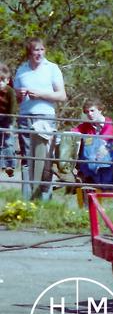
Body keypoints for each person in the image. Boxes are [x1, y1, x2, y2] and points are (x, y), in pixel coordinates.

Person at [13, 37, 67, 200]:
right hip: (25, 117)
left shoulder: (52, 68)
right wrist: (19, 94)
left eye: (41, 49)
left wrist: (41, 94)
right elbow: (17, 98)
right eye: (35, 50)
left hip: (45, 117)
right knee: (27, 158)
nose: (39, 53)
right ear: (29, 52)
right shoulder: (22, 69)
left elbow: (62, 95)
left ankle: (45, 198)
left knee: (45, 158)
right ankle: (27, 199)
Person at [73, 99, 113, 187]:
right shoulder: (86, 126)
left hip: (108, 157)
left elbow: (111, 143)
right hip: (91, 159)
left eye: (92, 110)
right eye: (87, 112)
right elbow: (73, 132)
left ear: (100, 110)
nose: (90, 114)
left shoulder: (110, 124)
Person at [0, 63, 18, 177]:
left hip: (7, 118)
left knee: (8, 142)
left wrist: (10, 123)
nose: (0, 83)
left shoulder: (10, 91)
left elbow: (13, 108)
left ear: (7, 80)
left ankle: (10, 164)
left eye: (2, 80)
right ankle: (2, 164)